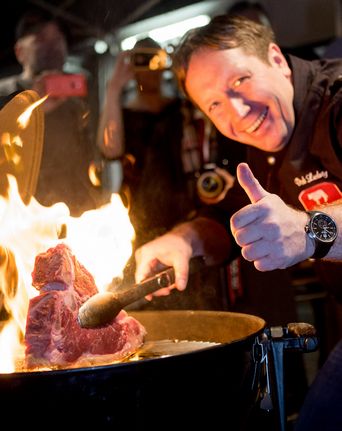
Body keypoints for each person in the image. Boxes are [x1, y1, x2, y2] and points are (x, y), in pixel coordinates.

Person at [131, 15, 342, 429]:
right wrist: (185, 240)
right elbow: (228, 215)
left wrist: (307, 231)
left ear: (277, 59)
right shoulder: (262, 139)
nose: (237, 112)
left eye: (240, 81)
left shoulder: (335, 102)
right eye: (213, 104)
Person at [97, 37, 228, 310]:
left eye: (154, 59)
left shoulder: (181, 107)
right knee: (149, 291)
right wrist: (113, 88)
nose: (148, 68)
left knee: (193, 285)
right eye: (140, 61)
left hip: (185, 208)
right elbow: (110, 151)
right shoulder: (124, 112)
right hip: (141, 212)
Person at [0, 9, 108, 216]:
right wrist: (30, 109)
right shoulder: (4, 92)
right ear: (19, 52)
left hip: (78, 207)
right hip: (23, 214)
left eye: (58, 39)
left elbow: (93, 148)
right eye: (41, 39)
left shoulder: (77, 92)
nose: (53, 46)